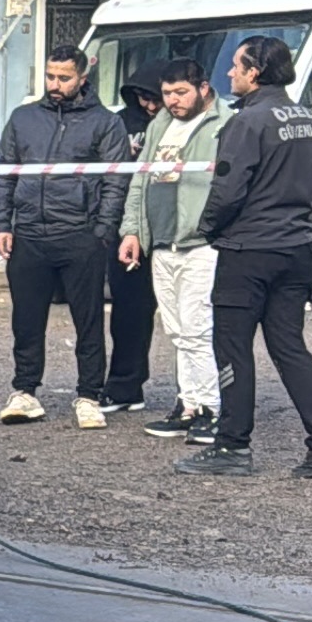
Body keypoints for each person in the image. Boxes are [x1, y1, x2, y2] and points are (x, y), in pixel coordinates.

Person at [174, 35, 312, 480]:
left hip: (248, 249)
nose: (229, 73)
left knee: (232, 347)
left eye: (236, 66)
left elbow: (228, 188)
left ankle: (232, 445)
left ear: (255, 72)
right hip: (295, 247)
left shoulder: (246, 122)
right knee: (290, 347)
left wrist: (208, 227)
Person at [0, 46, 132, 429]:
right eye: (50, 76)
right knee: (26, 319)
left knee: (87, 321)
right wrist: (1, 224)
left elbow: (115, 180)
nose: (55, 85)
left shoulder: (106, 122)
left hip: (80, 234)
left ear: (82, 78)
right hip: (30, 234)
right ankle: (25, 391)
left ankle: (89, 394)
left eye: (64, 78)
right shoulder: (24, 118)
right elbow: (5, 172)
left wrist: (101, 231)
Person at [119, 61, 226, 444]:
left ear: (202, 88)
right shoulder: (159, 125)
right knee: (177, 330)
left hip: (202, 243)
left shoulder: (224, 124)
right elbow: (140, 179)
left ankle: (212, 410)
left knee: (198, 329)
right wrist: (131, 230)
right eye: (167, 94)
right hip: (162, 242)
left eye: (181, 93)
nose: (173, 101)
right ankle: (189, 405)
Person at [103, 70, 164, 414]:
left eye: (154, 97)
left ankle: (197, 396)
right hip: (127, 229)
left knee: (189, 320)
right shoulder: (118, 123)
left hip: (170, 229)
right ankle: (125, 386)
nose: (149, 105)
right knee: (129, 313)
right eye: (142, 98)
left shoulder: (182, 124)